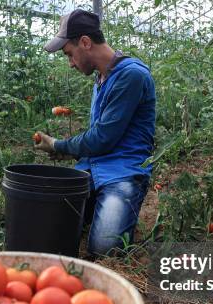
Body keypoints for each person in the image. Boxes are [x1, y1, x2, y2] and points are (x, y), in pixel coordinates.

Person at [34, 9, 156, 257]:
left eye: (69, 54)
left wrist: (59, 145)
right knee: (46, 223)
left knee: (103, 248)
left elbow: (102, 137)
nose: (70, 63)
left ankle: (114, 212)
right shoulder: (102, 77)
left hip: (122, 173)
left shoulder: (131, 75)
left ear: (85, 42)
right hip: (91, 169)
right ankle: (94, 212)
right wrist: (70, 152)